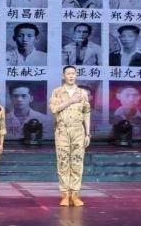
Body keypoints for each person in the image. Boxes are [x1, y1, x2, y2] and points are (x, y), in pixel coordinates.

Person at [49, 66, 91, 207]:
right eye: (68, 73)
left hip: (78, 131)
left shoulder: (82, 93)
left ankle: (75, 194)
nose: (71, 76)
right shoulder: (57, 92)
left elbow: (86, 113)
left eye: (73, 73)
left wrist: (87, 133)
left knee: (77, 162)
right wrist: (71, 100)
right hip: (62, 131)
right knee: (63, 162)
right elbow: (54, 109)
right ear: (63, 76)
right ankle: (65, 195)